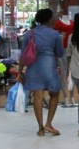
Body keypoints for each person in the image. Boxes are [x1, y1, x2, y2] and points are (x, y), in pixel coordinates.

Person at [18, 9, 64, 137]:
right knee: (54, 94)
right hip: (49, 67)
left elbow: (23, 55)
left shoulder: (29, 34)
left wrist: (20, 72)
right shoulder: (55, 34)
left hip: (33, 67)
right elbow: (60, 53)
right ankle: (49, 123)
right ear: (49, 19)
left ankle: (40, 128)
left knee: (37, 96)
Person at [53, 15, 75, 107]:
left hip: (71, 49)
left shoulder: (72, 23)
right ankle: (66, 97)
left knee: (72, 73)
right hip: (61, 49)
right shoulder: (58, 23)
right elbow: (55, 36)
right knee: (63, 73)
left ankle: (72, 97)